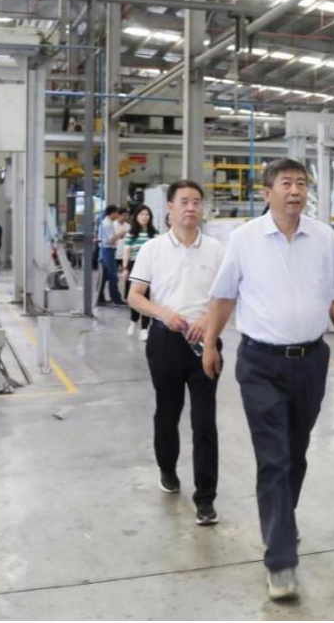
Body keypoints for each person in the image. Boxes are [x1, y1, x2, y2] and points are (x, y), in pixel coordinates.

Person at [203, 158, 334, 601]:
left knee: (296, 453)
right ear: (267, 192)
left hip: (310, 360)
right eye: (286, 183)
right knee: (273, 458)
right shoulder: (245, 239)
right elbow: (224, 297)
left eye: (301, 183)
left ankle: (281, 523)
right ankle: (280, 559)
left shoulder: (324, 237)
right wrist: (211, 343)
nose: (295, 190)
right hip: (261, 363)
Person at [127, 180, 226, 527]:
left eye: (196, 202)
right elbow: (134, 296)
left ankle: (205, 498)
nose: (191, 208)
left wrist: (207, 322)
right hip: (165, 341)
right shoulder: (153, 249)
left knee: (204, 422)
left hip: (205, 342)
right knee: (167, 412)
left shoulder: (217, 250)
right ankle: (167, 469)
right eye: (184, 202)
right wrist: (164, 314)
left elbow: (226, 297)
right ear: (169, 208)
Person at [120, 204, 157, 340]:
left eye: (147, 214)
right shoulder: (131, 233)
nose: (145, 217)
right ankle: (133, 320)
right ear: (136, 217)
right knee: (135, 297)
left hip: (150, 268)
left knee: (147, 298)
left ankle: (144, 328)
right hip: (134, 266)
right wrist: (125, 269)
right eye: (142, 214)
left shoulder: (154, 233)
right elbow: (127, 251)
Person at [97, 205, 125, 306]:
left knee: (104, 276)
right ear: (112, 213)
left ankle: (100, 298)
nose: (118, 215)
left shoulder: (106, 223)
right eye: (117, 213)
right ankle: (116, 300)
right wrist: (120, 235)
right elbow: (110, 240)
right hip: (108, 250)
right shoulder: (107, 224)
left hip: (106, 250)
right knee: (113, 276)